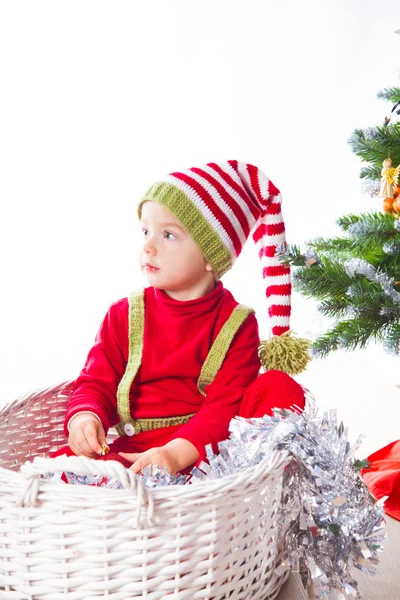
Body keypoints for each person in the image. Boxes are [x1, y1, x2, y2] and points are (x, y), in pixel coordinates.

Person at [52, 160, 308, 474]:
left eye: (168, 235)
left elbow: (225, 407)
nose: (148, 246)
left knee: (278, 387)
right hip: (133, 454)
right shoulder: (124, 315)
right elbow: (96, 382)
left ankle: (248, 480)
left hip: (208, 456)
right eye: (146, 231)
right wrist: (86, 418)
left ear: (211, 256)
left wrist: (175, 454)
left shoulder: (236, 325)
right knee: (62, 469)